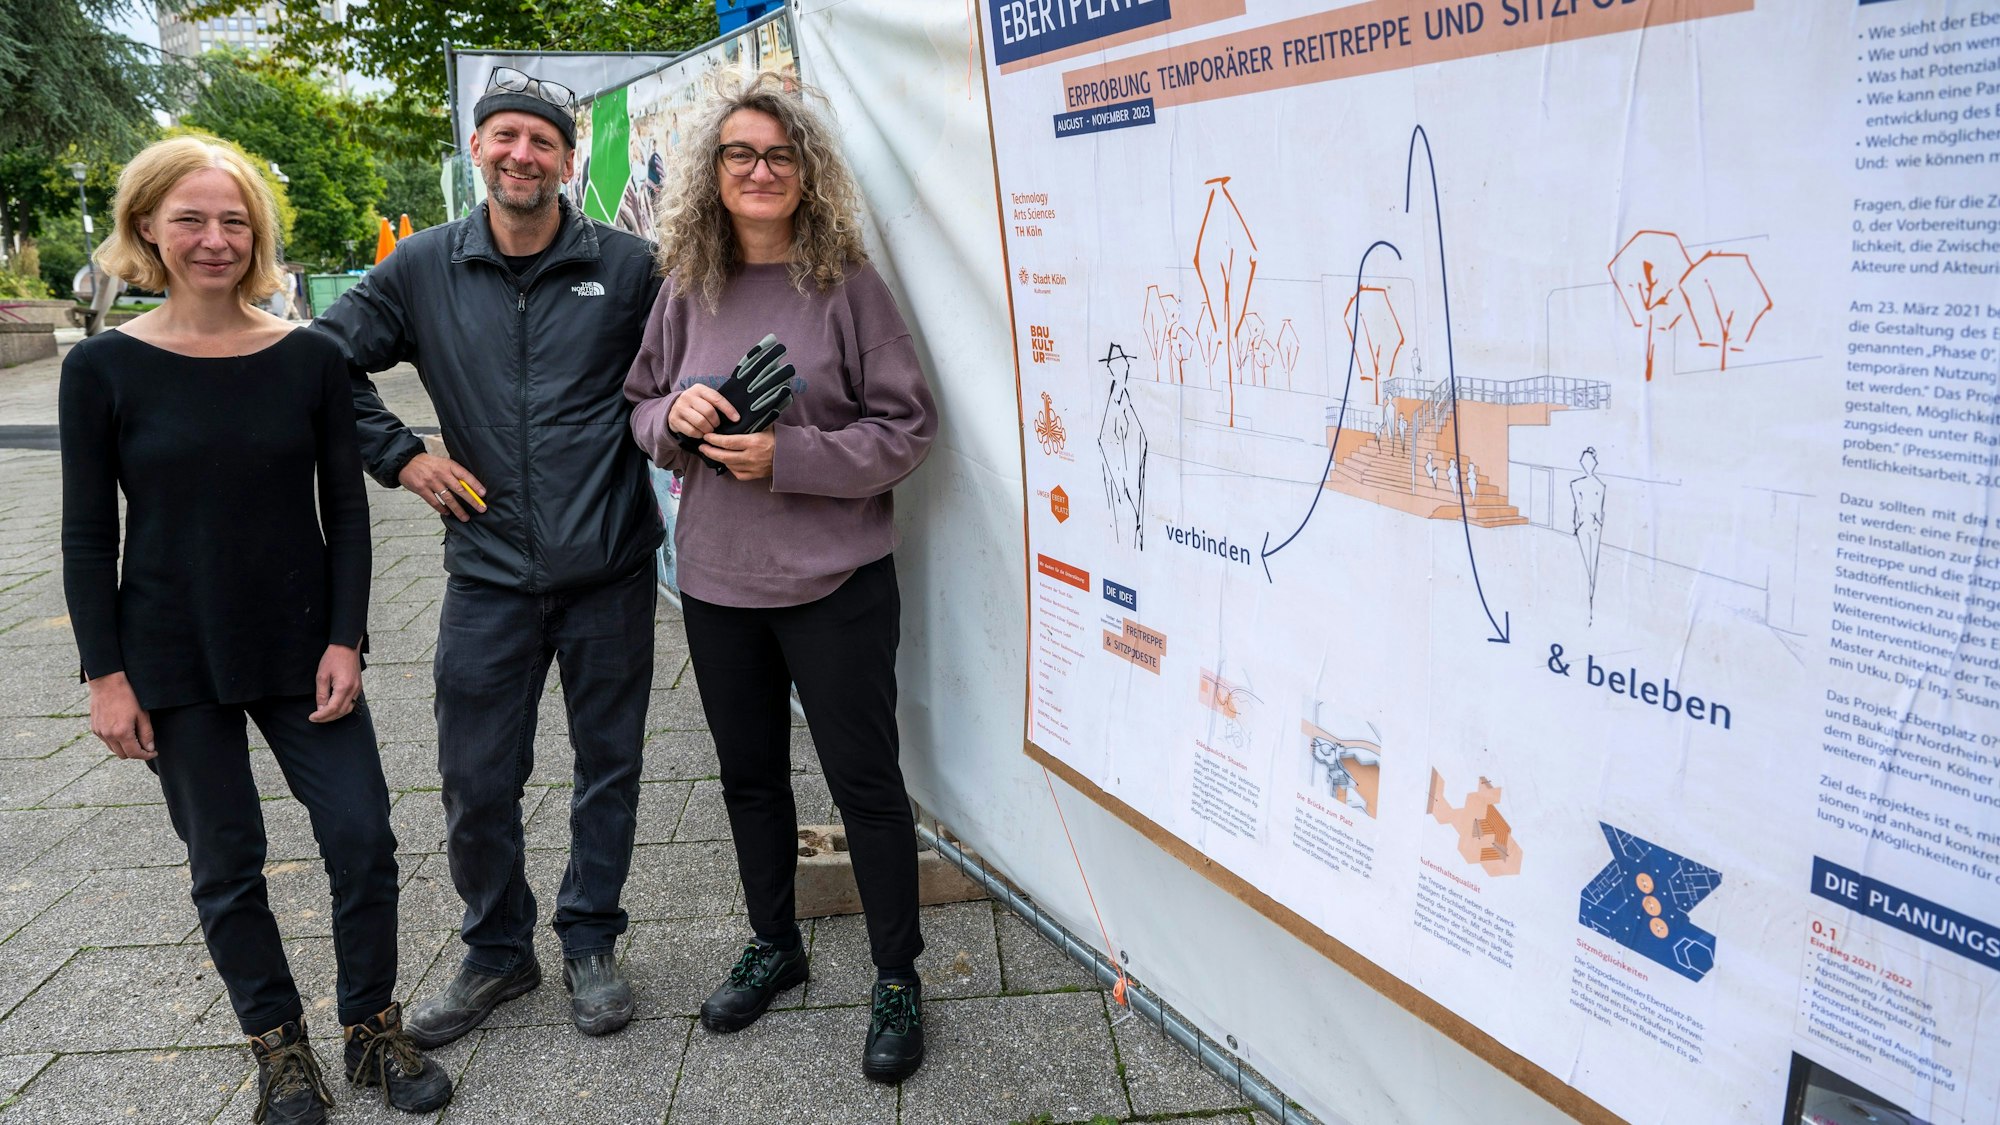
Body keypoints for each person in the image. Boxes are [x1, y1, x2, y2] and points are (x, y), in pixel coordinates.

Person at [58, 135, 451, 1125]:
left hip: (303, 643)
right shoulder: (103, 368)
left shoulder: (310, 357)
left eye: (234, 220)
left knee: (362, 838)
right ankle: (278, 1046)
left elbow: (346, 513)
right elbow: (83, 528)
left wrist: (347, 640)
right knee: (225, 863)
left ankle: (370, 1027)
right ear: (146, 225)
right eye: (190, 218)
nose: (214, 238)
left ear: (258, 235)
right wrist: (105, 676)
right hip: (170, 655)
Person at [311, 66, 664, 1046]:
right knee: (473, 775)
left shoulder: (630, 268)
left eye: (540, 141)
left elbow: (681, 371)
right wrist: (402, 455)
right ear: (478, 147)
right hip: (487, 574)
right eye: (503, 136)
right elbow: (319, 363)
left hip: (609, 567)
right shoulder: (423, 267)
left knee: (610, 765)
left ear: (564, 157)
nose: (521, 154)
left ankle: (590, 937)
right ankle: (498, 950)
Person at [624, 71, 937, 1083]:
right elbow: (636, 404)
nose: (759, 171)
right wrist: (669, 421)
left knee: (865, 785)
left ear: (807, 173)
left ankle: (897, 973)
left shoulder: (847, 285)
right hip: (716, 582)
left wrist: (790, 460)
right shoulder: (686, 286)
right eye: (739, 155)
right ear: (711, 175)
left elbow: (907, 427)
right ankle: (776, 945)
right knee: (749, 777)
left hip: (835, 582)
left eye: (779, 155)